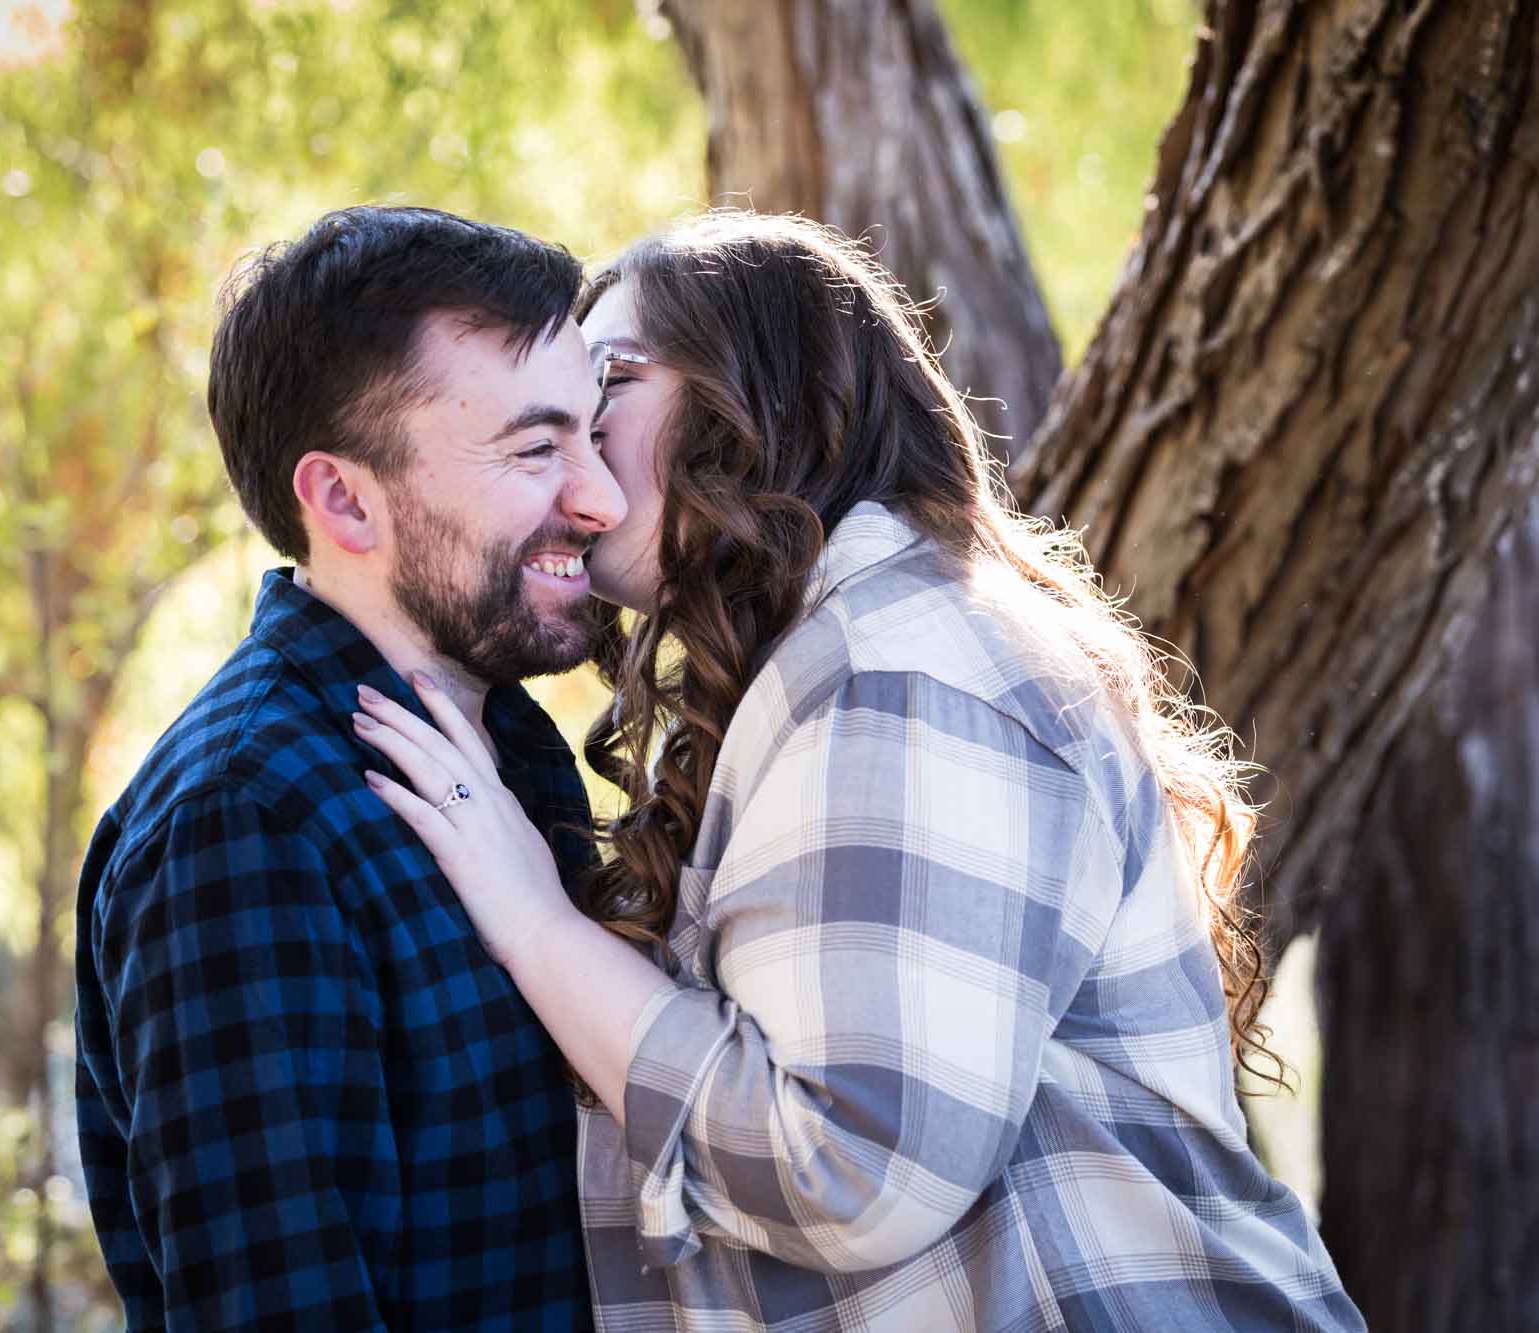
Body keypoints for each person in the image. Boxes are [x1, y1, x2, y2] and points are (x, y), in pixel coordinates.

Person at [354, 211, 1366, 1331]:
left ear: (759, 387)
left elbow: (850, 1172)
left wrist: (535, 925)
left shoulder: (894, 664)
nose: (577, 468)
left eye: (608, 386)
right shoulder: (843, 653)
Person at [73, 205, 625, 1330]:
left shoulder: (513, 745)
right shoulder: (246, 821)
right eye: (535, 447)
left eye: (593, 436)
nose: (598, 497)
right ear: (340, 499)